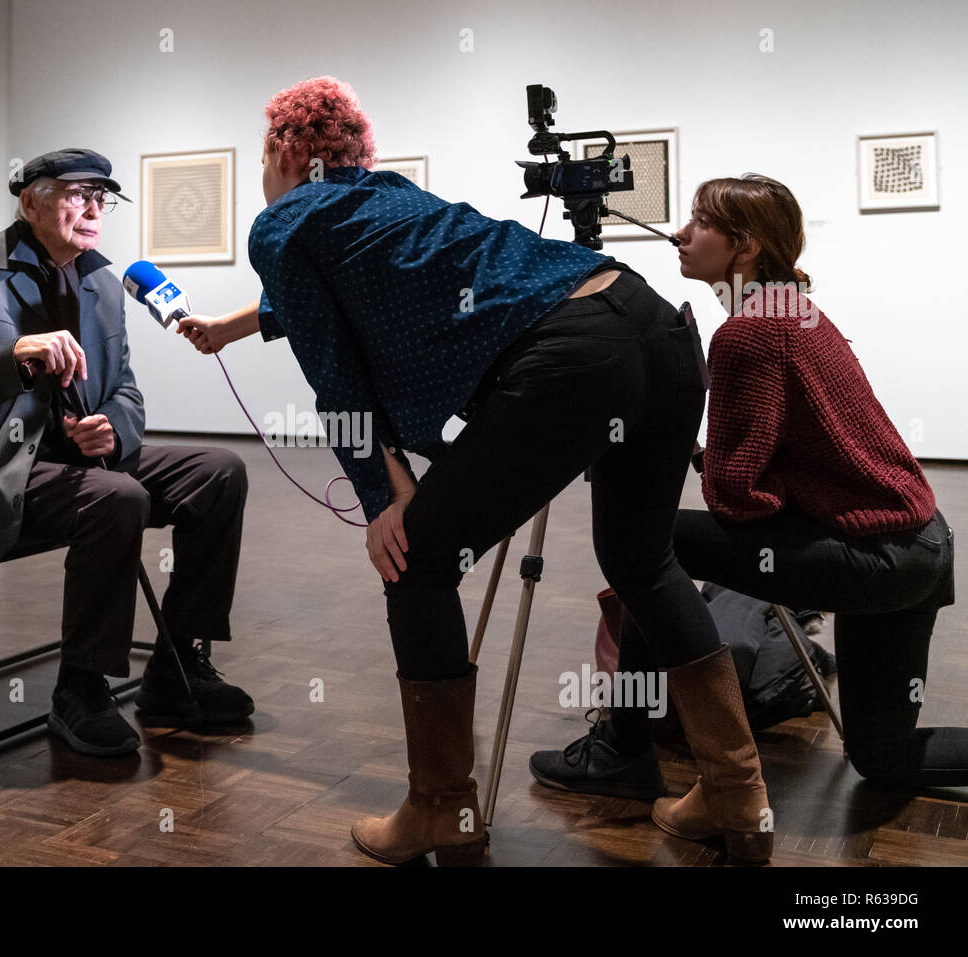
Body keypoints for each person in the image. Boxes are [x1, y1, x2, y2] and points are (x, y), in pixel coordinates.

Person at [176, 77, 773, 864]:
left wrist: (385, 495)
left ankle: (440, 810)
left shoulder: (282, 220)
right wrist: (236, 324)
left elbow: (335, 371)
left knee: (415, 560)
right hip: (654, 327)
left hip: (571, 360)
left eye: (262, 155)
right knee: (643, 558)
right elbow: (338, 286)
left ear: (286, 152)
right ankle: (739, 796)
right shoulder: (386, 195)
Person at [531, 175, 964, 835]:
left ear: (746, 245)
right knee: (881, 755)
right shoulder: (797, 310)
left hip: (876, 559)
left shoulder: (747, 335)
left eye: (700, 222)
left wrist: (680, 407)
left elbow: (737, 496)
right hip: (922, 546)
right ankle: (629, 746)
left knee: (648, 539)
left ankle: (624, 750)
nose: (681, 233)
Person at [0, 148, 254, 760]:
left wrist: (112, 429)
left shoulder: (102, 280)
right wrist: (12, 359)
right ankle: (81, 688)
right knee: (119, 496)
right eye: (77, 193)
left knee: (218, 471)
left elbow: (125, 388)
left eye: (102, 196)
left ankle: (176, 667)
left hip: (80, 461)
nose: (94, 208)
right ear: (31, 201)